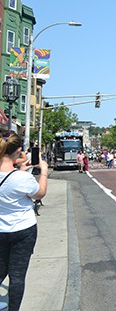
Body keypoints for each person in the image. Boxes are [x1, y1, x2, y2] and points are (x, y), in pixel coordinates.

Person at [0, 133, 49, 311]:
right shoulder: (23, 179)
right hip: (23, 231)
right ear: (19, 151)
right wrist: (43, 171)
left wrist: (19, 169)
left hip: (0, 231)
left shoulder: (19, 176)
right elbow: (39, 193)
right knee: (17, 276)